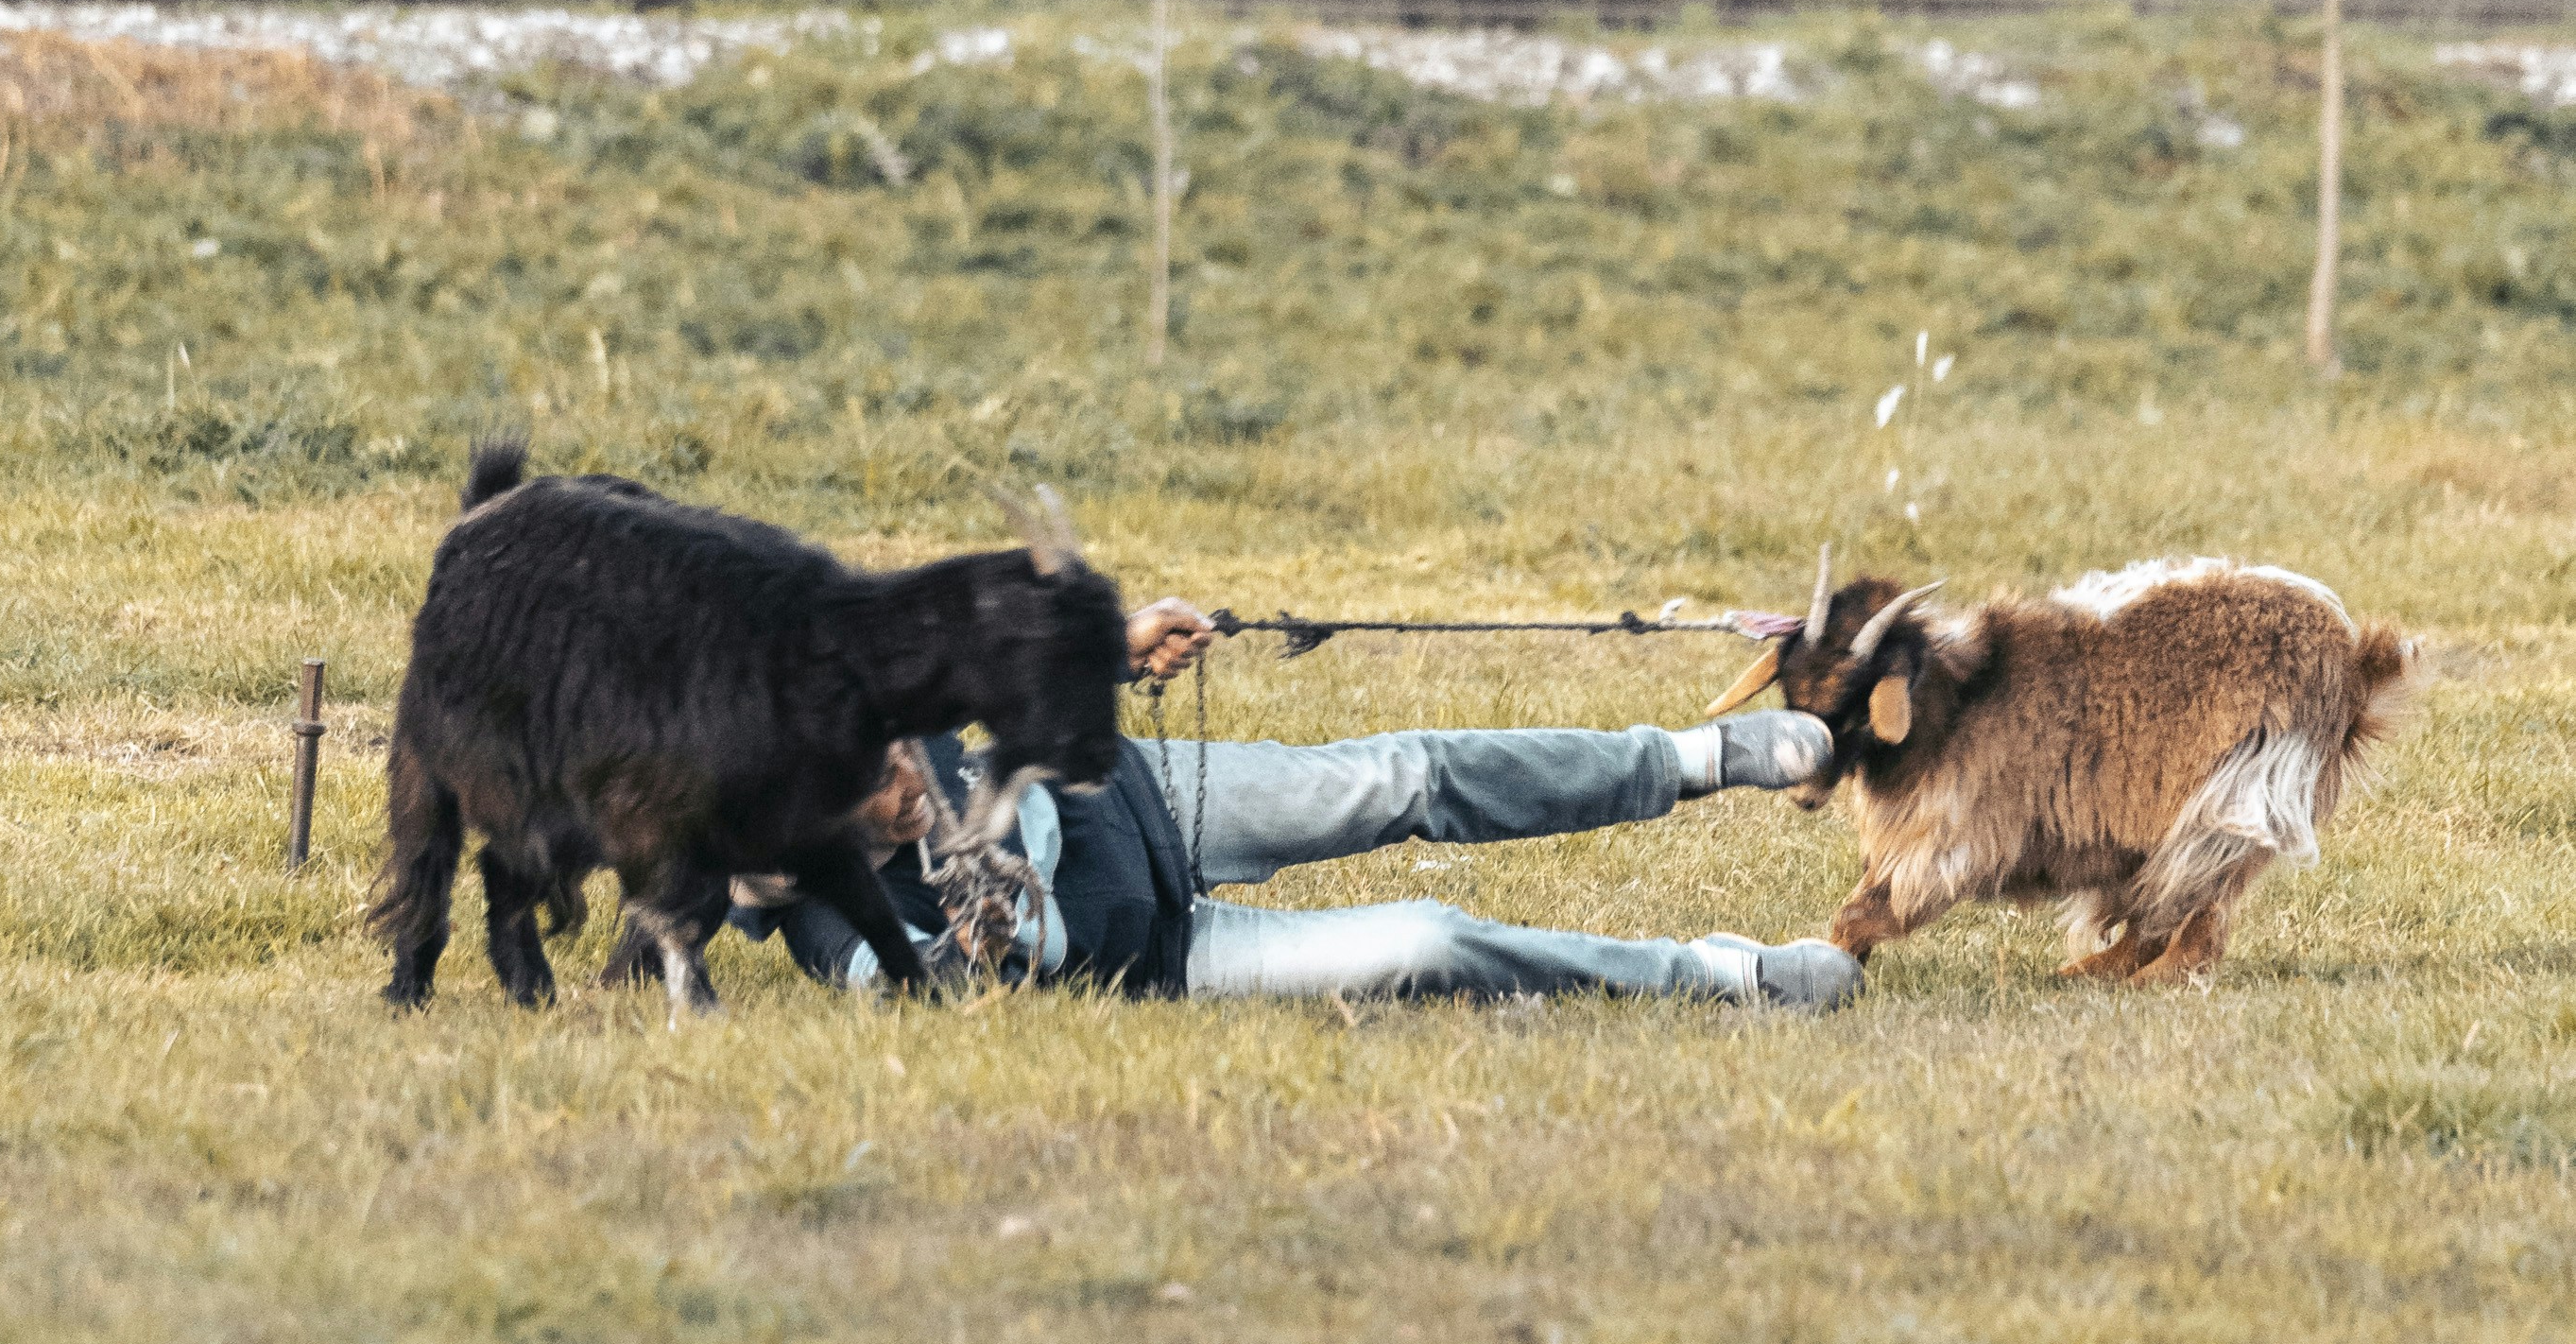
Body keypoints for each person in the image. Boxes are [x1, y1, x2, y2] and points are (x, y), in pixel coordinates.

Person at [758, 598, 1863, 1013]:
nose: (909, 782)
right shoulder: (827, 920)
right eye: (876, 792)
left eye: (899, 755)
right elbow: (920, 988)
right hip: (1160, 957)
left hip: (1140, 796)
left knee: (1398, 776)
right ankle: (1721, 976)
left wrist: (1117, 647)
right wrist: (975, 946)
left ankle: (1691, 757)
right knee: (1426, 940)